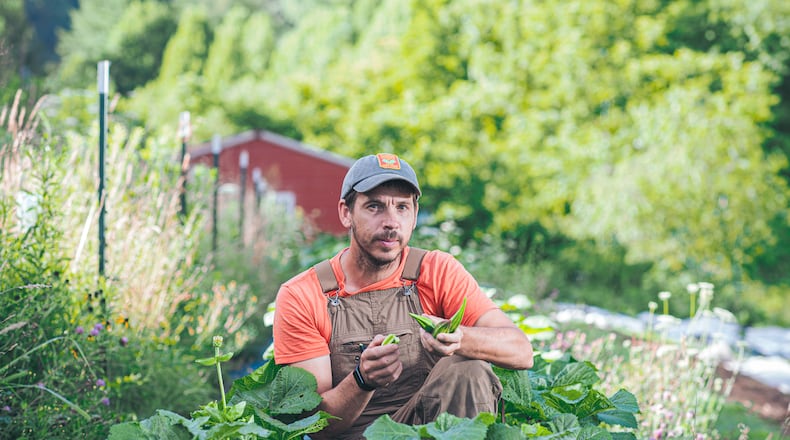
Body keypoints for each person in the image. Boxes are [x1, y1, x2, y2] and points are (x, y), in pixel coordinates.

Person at [272, 153, 533, 439]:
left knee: (468, 369)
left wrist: (461, 339)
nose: (391, 222)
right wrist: (362, 381)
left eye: (402, 207)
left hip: (430, 431)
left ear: (415, 215)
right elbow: (315, 427)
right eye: (375, 207)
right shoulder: (303, 294)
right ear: (346, 213)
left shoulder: (436, 270)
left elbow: (521, 350)